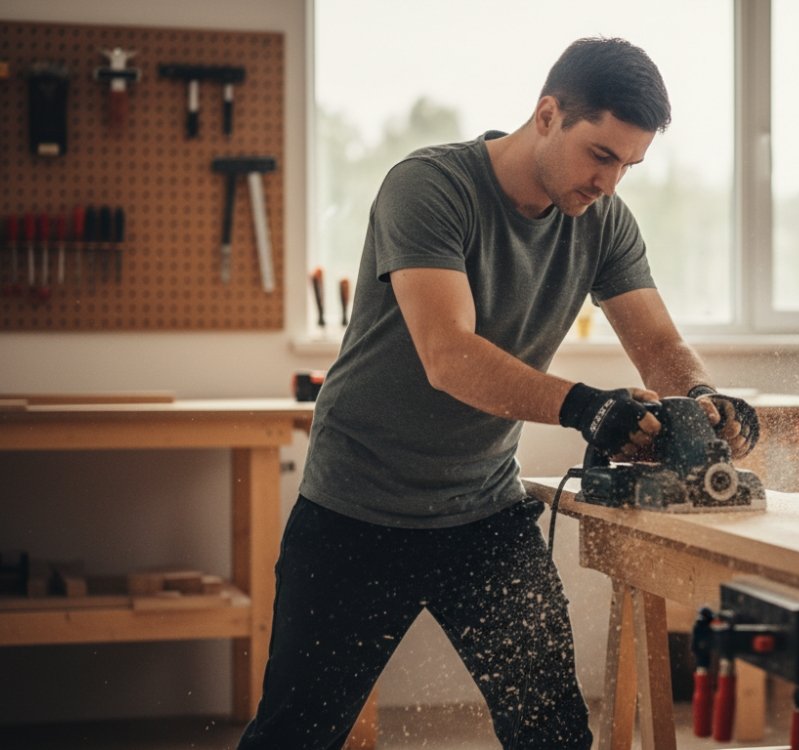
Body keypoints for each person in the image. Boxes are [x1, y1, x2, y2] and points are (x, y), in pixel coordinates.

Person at [238, 37, 759, 750]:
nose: (609, 183)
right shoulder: (429, 187)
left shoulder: (601, 220)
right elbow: (448, 355)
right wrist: (583, 406)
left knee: (551, 732)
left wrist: (705, 399)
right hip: (354, 515)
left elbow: (659, 347)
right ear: (548, 114)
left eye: (629, 166)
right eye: (600, 156)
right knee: (295, 735)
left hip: (483, 515)